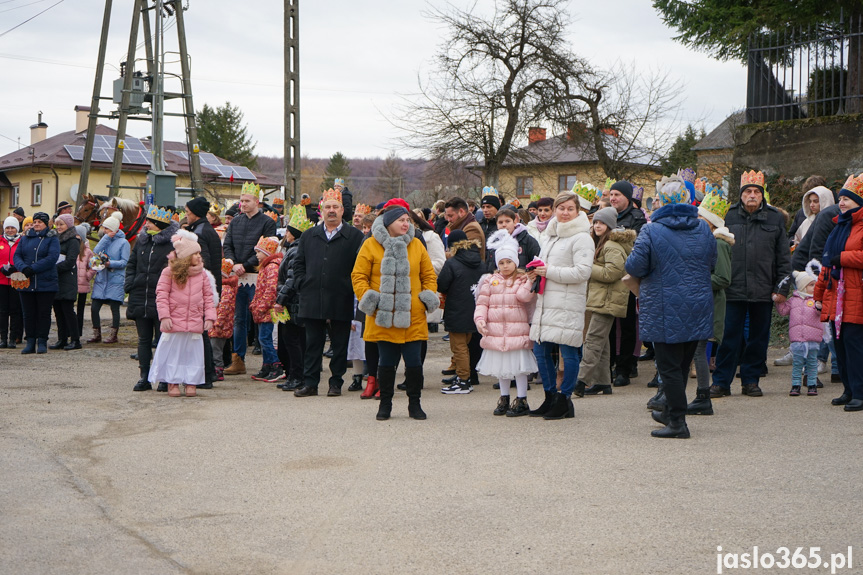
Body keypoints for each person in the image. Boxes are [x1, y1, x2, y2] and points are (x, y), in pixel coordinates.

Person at [625, 175, 716, 438]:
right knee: (682, 364)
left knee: (669, 369)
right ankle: (669, 412)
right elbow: (713, 263)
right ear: (688, 200)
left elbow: (634, 266)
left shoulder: (651, 230)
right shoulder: (703, 228)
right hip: (698, 305)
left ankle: (678, 423)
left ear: (660, 202)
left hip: (665, 308)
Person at [352, 206, 439, 420]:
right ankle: (385, 405)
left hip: (413, 315)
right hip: (384, 315)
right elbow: (358, 276)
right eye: (400, 220)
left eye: (407, 220)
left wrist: (425, 298)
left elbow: (429, 275)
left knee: (414, 364)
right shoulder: (371, 244)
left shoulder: (417, 245)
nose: (405, 224)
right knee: (386, 364)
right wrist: (371, 301)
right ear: (388, 222)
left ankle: (415, 404)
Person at [710, 171, 792, 398]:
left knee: (758, 339)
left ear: (762, 194)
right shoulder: (728, 214)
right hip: (732, 288)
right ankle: (721, 383)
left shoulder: (774, 218)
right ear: (741, 195)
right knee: (728, 339)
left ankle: (751, 380)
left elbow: (783, 257)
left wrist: (782, 287)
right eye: (748, 191)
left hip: (763, 290)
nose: (752, 195)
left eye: (756, 191)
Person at [527, 191, 594, 420]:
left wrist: (549, 272)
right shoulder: (550, 234)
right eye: (561, 208)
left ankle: (564, 398)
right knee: (540, 350)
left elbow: (583, 272)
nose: (565, 213)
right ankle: (549, 396)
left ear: (578, 211)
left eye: (570, 209)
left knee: (568, 350)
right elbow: (546, 263)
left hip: (567, 302)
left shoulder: (582, 237)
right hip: (547, 301)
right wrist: (535, 272)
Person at [293, 188, 364, 397]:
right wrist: (302, 283)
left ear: (343, 210)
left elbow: (360, 267)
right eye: (327, 207)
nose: (331, 211)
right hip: (312, 296)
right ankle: (311, 383)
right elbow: (298, 264)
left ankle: (336, 382)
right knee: (313, 343)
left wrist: (351, 288)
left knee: (340, 344)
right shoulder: (309, 236)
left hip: (341, 297)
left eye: (335, 207)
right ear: (321, 211)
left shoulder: (354, 236)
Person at [680, 191, 734, 416]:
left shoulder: (719, 244)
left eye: (700, 220)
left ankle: (703, 395)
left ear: (710, 223)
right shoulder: (704, 242)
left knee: (699, 350)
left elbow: (723, 278)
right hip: (699, 302)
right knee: (694, 350)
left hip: (710, 304)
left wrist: (692, 279)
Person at [474, 230, 537, 416]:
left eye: (509, 261)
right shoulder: (489, 281)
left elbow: (524, 297)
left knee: (519, 368)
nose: (505, 266)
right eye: (501, 262)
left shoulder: (522, 279)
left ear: (516, 262)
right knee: (502, 369)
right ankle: (504, 397)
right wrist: (480, 319)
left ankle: (522, 399)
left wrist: (528, 282)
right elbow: (482, 303)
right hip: (496, 331)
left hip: (516, 331)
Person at [814, 174, 863, 411]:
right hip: (837, 297)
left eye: (848, 199)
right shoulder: (839, 227)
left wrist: (842, 258)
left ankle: (860, 393)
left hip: (856, 297)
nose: (842, 203)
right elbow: (826, 265)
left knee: (855, 347)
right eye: (841, 199)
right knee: (840, 347)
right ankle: (849, 390)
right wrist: (819, 293)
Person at [575, 207, 635, 397]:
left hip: (608, 299)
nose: (597, 225)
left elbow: (612, 273)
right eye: (595, 222)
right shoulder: (604, 243)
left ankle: (580, 380)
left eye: (601, 223)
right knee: (602, 343)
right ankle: (602, 382)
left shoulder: (611, 246)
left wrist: (587, 267)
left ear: (610, 225)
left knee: (592, 340)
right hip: (603, 298)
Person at [149, 230, 217, 398]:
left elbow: (208, 297)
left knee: (192, 354)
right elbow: (162, 295)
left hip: (194, 322)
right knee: (175, 353)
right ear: (186, 256)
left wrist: (209, 317)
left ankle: (191, 382)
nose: (199, 257)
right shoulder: (169, 273)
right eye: (196, 254)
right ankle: (172, 381)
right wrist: (164, 316)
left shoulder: (202, 275)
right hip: (175, 321)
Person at [222, 182, 278, 376]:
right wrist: (231, 262)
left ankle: (269, 362)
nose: (242, 204)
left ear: (257, 201)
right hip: (237, 276)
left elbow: (267, 248)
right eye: (241, 200)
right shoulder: (236, 221)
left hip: (256, 275)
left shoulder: (267, 222)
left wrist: (244, 265)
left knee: (261, 318)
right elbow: (227, 244)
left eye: (246, 201)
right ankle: (238, 359)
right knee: (238, 319)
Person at [125, 205, 180, 391]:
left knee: (164, 340)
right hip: (140, 295)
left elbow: (178, 269)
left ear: (158, 224)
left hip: (163, 298)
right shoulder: (142, 241)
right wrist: (130, 283)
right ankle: (144, 377)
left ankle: (164, 377)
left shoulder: (173, 242)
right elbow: (132, 263)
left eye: (149, 221)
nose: (145, 223)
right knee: (143, 339)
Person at [606, 180, 647, 387]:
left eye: (617, 195)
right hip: (608, 278)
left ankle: (625, 367)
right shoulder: (604, 215)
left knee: (628, 325)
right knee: (610, 325)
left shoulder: (637, 218)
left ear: (627, 197)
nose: (613, 198)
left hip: (627, 277)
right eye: (611, 194)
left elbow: (638, 246)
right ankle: (610, 364)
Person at [437, 229, 484, 394]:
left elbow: (442, 284)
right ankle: (466, 376)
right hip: (475, 309)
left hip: (456, 310)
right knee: (468, 345)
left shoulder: (452, 263)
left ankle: (464, 380)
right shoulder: (480, 261)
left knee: (459, 347)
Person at [274, 206, 313, 392]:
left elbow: (291, 279)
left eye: (288, 231)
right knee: (297, 341)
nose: (286, 234)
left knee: (293, 341)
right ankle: (296, 375)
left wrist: (281, 300)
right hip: (296, 301)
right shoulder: (297, 249)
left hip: (292, 302)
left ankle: (296, 376)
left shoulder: (295, 251)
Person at [11, 212, 60, 354]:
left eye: (40, 222)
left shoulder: (52, 238)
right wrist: (23, 268)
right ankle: (30, 341)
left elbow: (52, 258)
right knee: (28, 313)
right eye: (35, 221)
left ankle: (42, 340)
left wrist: (33, 268)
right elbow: (17, 255)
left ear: (46, 224)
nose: (37, 224)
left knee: (43, 314)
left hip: (46, 283)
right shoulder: (25, 238)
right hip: (26, 282)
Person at [776, 267, 823, 396]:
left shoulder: (816, 301)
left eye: (815, 285)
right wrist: (779, 302)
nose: (814, 287)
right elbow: (783, 311)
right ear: (802, 286)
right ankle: (795, 384)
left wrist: (820, 307)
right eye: (811, 285)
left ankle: (812, 384)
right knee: (797, 363)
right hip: (797, 339)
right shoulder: (793, 300)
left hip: (812, 339)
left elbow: (821, 314)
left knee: (812, 363)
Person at [89, 213, 130, 344]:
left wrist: (110, 263)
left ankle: (113, 334)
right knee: (94, 307)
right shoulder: (104, 240)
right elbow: (96, 251)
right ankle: (97, 334)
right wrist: (105, 239)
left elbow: (124, 262)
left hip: (115, 279)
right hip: (102, 279)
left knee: (114, 308)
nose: (104, 230)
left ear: (113, 229)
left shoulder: (124, 243)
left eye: (107, 228)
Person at [248, 236, 283, 381]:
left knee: (265, 338)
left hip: (268, 310)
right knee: (264, 338)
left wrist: (261, 306)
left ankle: (276, 365)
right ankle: (267, 365)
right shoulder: (266, 267)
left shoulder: (272, 267)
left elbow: (271, 289)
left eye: (259, 251)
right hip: (263, 309)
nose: (256, 254)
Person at [47, 214, 81, 350]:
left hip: (67, 278)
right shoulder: (55, 238)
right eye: (57, 224)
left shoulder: (73, 240)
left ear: (68, 225)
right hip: (56, 279)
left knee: (67, 310)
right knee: (58, 310)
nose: (59, 227)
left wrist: (53, 268)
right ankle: (62, 339)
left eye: (62, 224)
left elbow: (70, 260)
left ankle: (75, 339)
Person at [209, 260, 237, 383]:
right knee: (215, 347)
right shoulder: (224, 288)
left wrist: (218, 323)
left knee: (216, 349)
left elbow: (224, 308)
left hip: (219, 326)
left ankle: (218, 370)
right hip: (218, 326)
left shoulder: (225, 289)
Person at [0, 216, 23, 348]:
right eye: (7, 228)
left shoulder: (22, 242)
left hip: (16, 280)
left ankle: (13, 338)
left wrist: (16, 267)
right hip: (2, 280)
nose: (10, 230)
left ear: (17, 229)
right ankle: (3, 338)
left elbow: (24, 257)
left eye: (12, 228)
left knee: (15, 311)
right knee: (3, 311)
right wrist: (1, 268)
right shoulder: (0, 241)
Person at [74, 225, 95, 343]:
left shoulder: (88, 252)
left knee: (80, 309)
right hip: (72, 283)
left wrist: (88, 276)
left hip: (83, 283)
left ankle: (79, 330)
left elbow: (93, 267)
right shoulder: (72, 248)